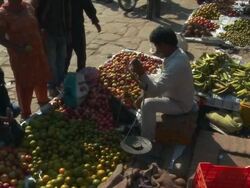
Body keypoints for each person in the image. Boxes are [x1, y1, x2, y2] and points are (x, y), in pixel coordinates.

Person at [130, 26, 194, 141]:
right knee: (148, 79)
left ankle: (147, 139)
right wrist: (143, 80)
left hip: (180, 104)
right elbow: (158, 81)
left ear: (164, 45)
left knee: (148, 105)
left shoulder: (176, 64)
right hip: (173, 93)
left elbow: (155, 91)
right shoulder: (176, 52)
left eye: (157, 46)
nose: (156, 49)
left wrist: (141, 72)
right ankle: (142, 110)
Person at [0, 0, 50, 120]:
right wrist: (17, 48)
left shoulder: (28, 6)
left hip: (38, 53)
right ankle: (26, 115)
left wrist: (41, 36)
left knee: (41, 80)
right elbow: (1, 38)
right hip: (21, 59)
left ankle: (44, 106)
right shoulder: (3, 14)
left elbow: (36, 24)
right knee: (25, 85)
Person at [32, 0, 71, 98]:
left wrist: (68, 29)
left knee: (62, 59)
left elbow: (67, 12)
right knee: (51, 61)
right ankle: (53, 86)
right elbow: (35, 12)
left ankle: (60, 83)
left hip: (62, 30)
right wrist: (40, 29)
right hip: (49, 32)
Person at [65, 0, 101, 73]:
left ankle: (79, 74)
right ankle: (63, 76)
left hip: (75, 28)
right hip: (66, 29)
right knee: (66, 56)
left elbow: (88, 6)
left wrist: (95, 21)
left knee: (79, 55)